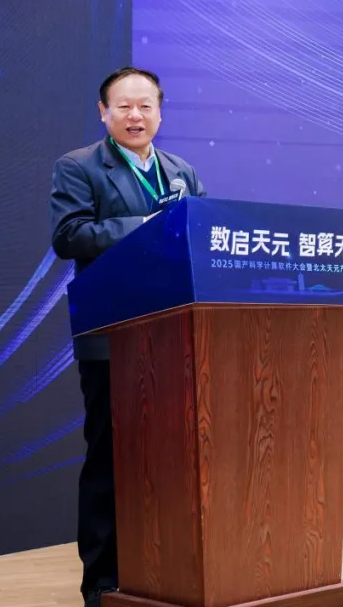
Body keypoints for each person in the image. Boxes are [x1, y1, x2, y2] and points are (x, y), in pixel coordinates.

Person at [49, 67, 206, 607]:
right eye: (124, 106)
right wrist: (145, 227)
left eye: (145, 106)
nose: (135, 116)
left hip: (176, 336)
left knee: (172, 456)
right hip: (111, 333)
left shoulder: (181, 170)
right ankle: (102, 581)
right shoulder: (78, 166)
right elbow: (69, 236)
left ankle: (166, 567)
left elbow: (202, 234)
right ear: (103, 112)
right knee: (110, 457)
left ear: (160, 111)